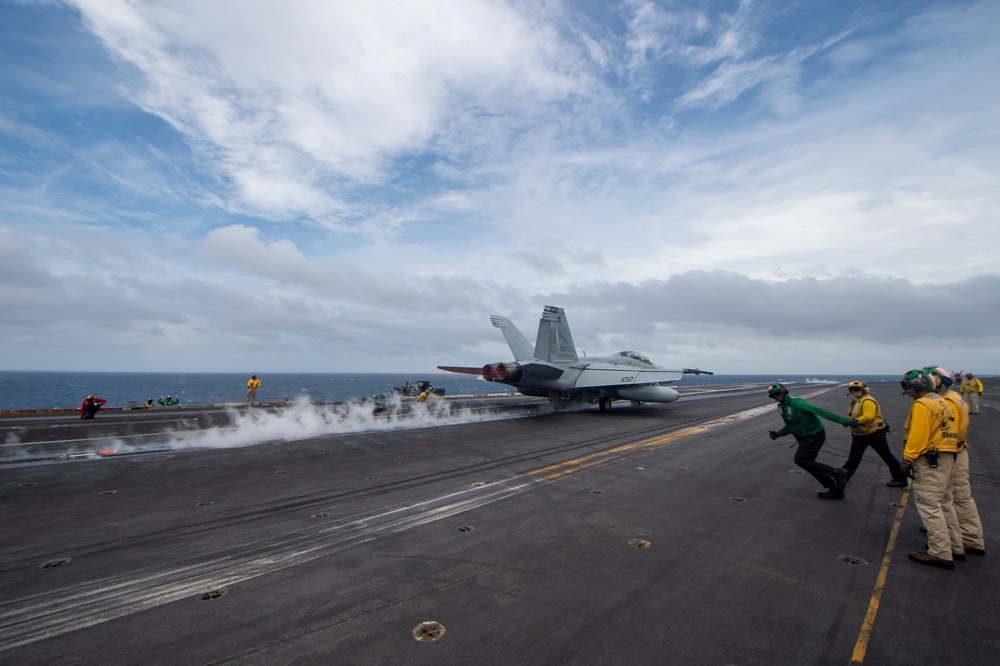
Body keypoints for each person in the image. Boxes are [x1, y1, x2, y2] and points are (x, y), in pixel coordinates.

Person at [900, 368, 960, 570]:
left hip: (930, 461)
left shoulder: (922, 404)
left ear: (918, 386)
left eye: (907, 386)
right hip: (948, 457)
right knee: (945, 503)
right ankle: (954, 546)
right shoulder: (943, 401)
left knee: (929, 506)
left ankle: (940, 553)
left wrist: (908, 459)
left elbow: (918, 436)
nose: (907, 390)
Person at [927, 366, 986, 556]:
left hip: (950, 452)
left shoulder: (946, 401)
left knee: (958, 496)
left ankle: (968, 538)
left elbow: (944, 431)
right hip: (955, 450)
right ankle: (959, 535)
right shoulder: (953, 397)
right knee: (952, 496)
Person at [766, 383, 853, 499]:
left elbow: (822, 412)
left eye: (777, 394)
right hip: (804, 437)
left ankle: (836, 473)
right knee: (808, 463)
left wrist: (846, 421)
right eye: (773, 396)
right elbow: (790, 425)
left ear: (784, 392)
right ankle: (835, 489)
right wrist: (778, 434)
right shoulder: (782, 408)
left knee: (802, 460)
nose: (776, 397)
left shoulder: (798, 403)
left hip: (814, 435)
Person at [840, 381, 908, 488]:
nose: (855, 391)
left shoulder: (867, 401)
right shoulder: (858, 401)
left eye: (857, 389)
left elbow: (868, 416)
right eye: (853, 390)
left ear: (863, 390)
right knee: (855, 457)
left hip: (873, 434)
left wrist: (854, 422)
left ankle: (900, 478)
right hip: (862, 433)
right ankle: (843, 476)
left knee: (885, 455)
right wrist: (849, 421)